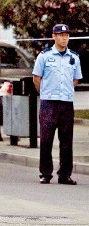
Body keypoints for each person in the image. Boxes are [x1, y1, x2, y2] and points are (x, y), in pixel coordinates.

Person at [33, 24, 83, 185]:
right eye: (61, 35)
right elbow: (36, 78)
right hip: (49, 103)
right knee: (46, 140)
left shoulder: (73, 57)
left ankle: (65, 174)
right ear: (54, 36)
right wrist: (46, 93)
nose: (64, 38)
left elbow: (75, 79)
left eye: (66, 35)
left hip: (66, 104)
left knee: (66, 141)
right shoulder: (44, 56)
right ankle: (45, 173)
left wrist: (65, 91)